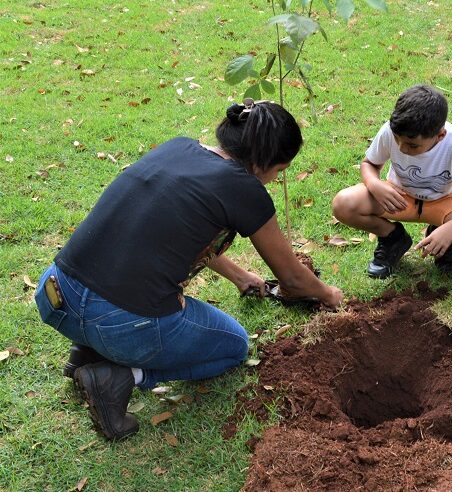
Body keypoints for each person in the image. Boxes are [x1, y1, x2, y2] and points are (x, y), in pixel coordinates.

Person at [34, 99, 343, 441]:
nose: (274, 180)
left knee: (112, 304)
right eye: (280, 172)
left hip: (56, 296)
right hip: (122, 323)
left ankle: (87, 352)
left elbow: (172, 227)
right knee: (234, 346)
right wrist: (328, 294)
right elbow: (293, 279)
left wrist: (239, 276)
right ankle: (121, 376)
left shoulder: (178, 148)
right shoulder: (245, 188)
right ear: (267, 163)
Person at [332, 85, 452, 278]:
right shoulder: (390, 130)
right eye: (397, 139)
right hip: (398, 197)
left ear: (440, 135)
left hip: (445, 201)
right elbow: (369, 164)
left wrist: (450, 229)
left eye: (412, 145)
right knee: (343, 204)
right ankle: (392, 238)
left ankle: (441, 237)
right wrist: (374, 184)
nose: (402, 148)